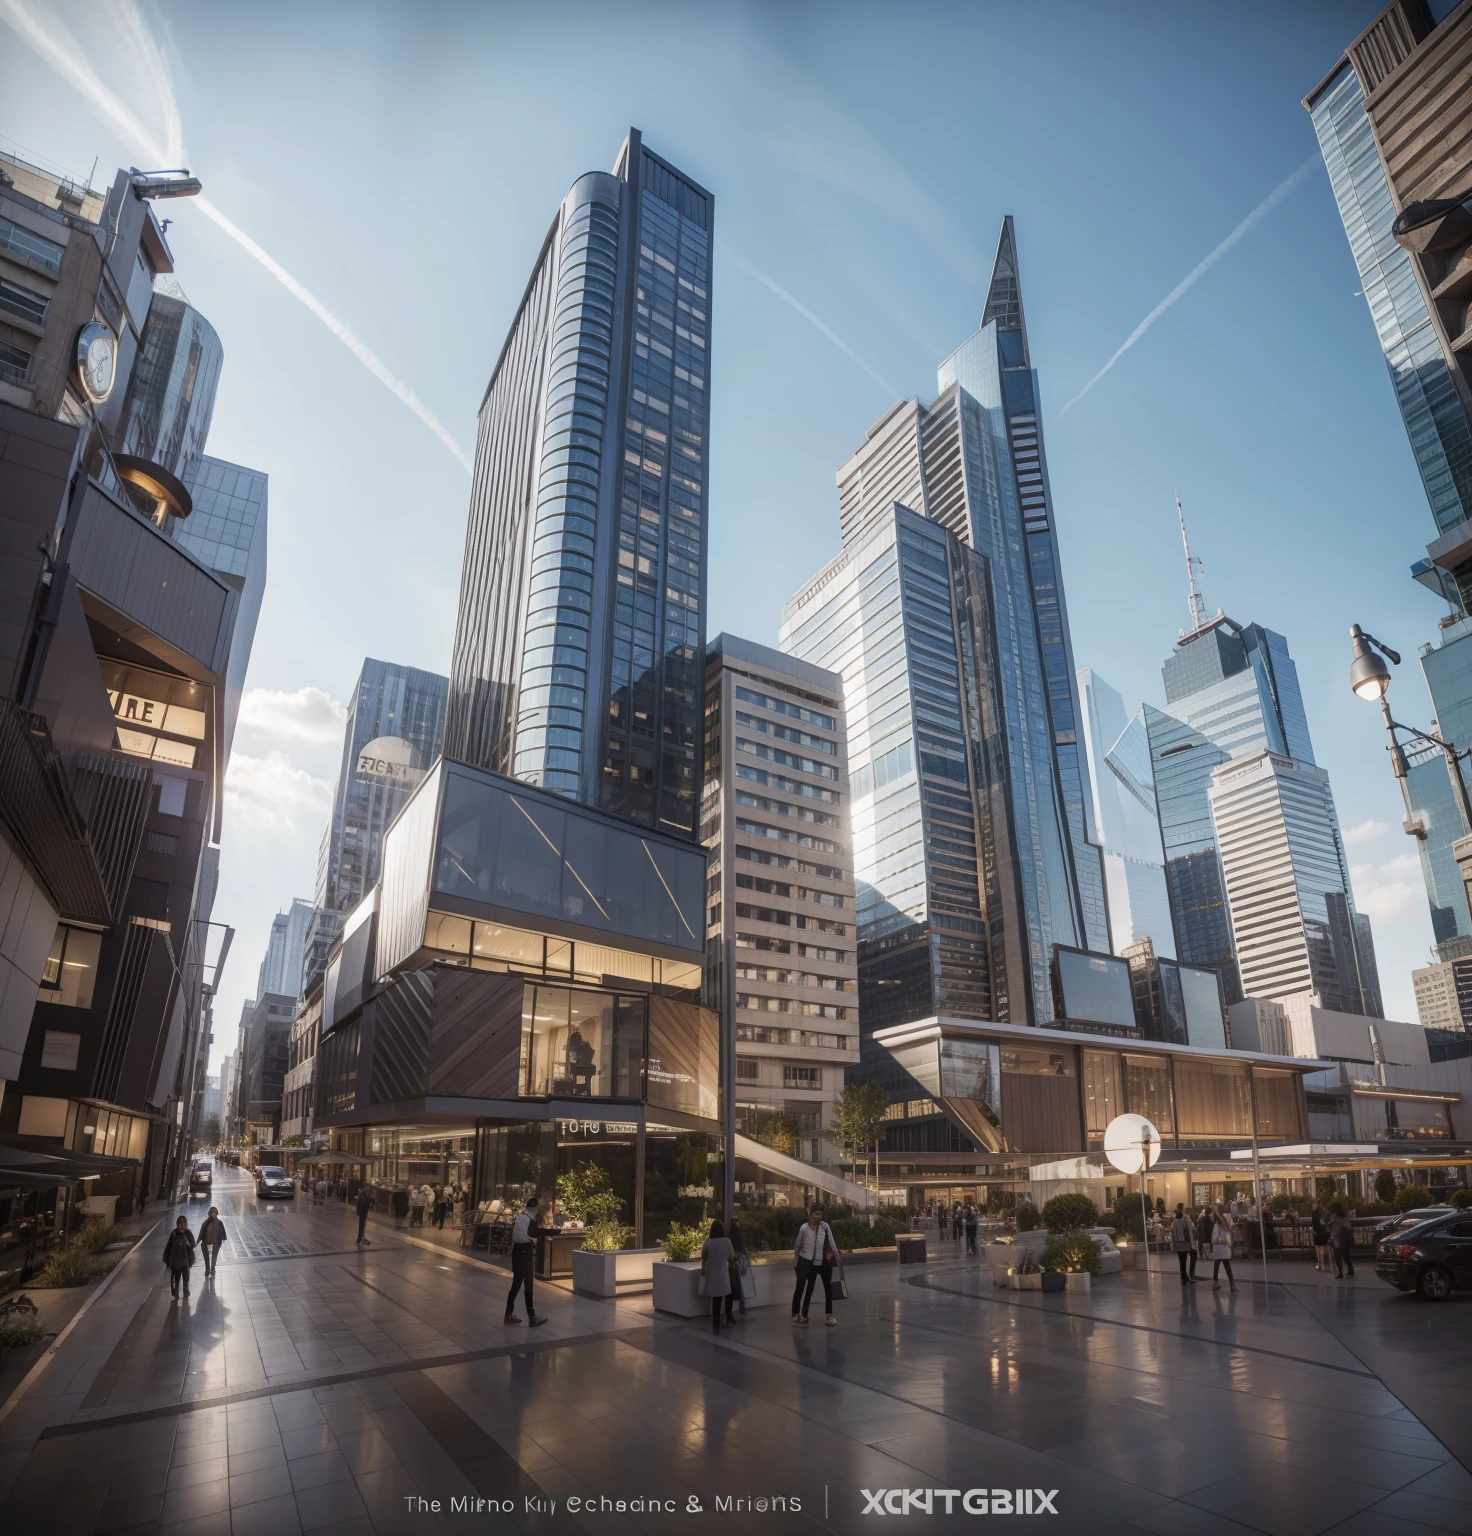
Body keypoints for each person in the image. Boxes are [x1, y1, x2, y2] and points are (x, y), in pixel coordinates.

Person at [792, 1205, 839, 1327]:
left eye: (820, 1214)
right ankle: (800, 1315)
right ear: (811, 1214)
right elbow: (797, 1245)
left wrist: (837, 1257)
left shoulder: (825, 1227)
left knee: (828, 1288)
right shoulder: (804, 1228)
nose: (818, 1217)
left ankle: (828, 1315)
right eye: (816, 1214)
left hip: (822, 1261)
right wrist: (796, 1260)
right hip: (807, 1261)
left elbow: (832, 1243)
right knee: (805, 1288)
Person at [505, 1195, 549, 1326]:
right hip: (525, 1252)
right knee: (529, 1285)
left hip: (516, 1252)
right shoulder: (531, 1219)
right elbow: (534, 1233)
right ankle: (532, 1317)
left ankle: (508, 1314)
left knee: (516, 1284)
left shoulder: (520, 1216)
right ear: (535, 1208)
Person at [700, 1219, 735, 1333]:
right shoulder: (727, 1241)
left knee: (716, 1299)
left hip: (712, 1273)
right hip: (723, 1273)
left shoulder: (708, 1242)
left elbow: (703, 1256)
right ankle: (724, 1319)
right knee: (723, 1296)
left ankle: (716, 1324)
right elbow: (732, 1256)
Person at [163, 1216, 195, 1299]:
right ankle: (175, 1293)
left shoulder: (187, 1233)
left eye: (184, 1224)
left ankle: (185, 1292)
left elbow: (192, 1245)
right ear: (177, 1225)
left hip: (185, 1261)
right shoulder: (174, 1234)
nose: (182, 1227)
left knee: (185, 1278)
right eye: (180, 1224)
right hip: (175, 1261)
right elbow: (169, 1247)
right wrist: (167, 1259)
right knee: (176, 1278)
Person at [728, 1216, 750, 1322]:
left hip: (733, 1261)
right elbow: (742, 1246)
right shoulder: (738, 1232)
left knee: (734, 1284)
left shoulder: (730, 1233)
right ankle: (742, 1309)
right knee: (741, 1285)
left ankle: (730, 1311)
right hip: (739, 1258)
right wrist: (747, 1260)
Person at [1210, 1208, 1238, 1292]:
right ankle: (1232, 1284)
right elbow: (1228, 1236)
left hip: (1218, 1249)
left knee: (1217, 1265)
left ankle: (1216, 1282)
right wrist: (1227, 1243)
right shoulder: (1227, 1223)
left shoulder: (1216, 1225)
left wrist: (1217, 1241)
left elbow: (1213, 1238)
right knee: (1227, 1266)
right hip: (1224, 1248)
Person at [1170, 1203, 1197, 1284]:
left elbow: (1172, 1233)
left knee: (1181, 1261)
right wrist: (1190, 1242)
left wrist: (1173, 1243)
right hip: (1184, 1243)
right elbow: (1188, 1231)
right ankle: (1188, 1276)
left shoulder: (1174, 1222)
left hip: (1178, 1244)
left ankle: (1184, 1277)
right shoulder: (1184, 1220)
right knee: (1186, 1259)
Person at [198, 1207, 228, 1277]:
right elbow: (201, 1233)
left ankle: (210, 1270)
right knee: (211, 1257)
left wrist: (224, 1237)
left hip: (213, 1244)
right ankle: (210, 1270)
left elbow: (201, 1234)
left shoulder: (215, 1223)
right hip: (210, 1244)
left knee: (211, 1257)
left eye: (215, 1215)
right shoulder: (208, 1223)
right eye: (213, 1214)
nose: (214, 1216)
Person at [1330, 1204, 1356, 1278]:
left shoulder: (1342, 1220)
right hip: (1338, 1241)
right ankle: (1345, 1271)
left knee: (1343, 1257)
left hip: (1341, 1241)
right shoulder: (1335, 1221)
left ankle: (1346, 1271)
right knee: (1342, 1257)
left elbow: (1349, 1229)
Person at [1310, 1199, 1331, 1272]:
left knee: (1318, 1248)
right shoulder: (1325, 1212)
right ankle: (1326, 1264)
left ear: (1316, 1204)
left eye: (1313, 1204)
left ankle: (1320, 1263)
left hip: (1318, 1233)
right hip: (1325, 1233)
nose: (1313, 1205)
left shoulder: (1315, 1212)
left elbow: (1314, 1224)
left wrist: (1314, 1231)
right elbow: (1328, 1222)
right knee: (1325, 1247)